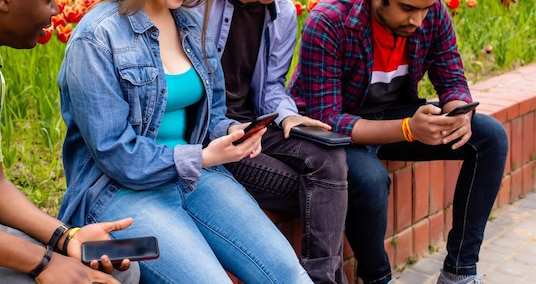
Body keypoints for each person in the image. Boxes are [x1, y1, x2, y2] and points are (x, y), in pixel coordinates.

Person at [56, 0, 314, 282]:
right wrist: (203, 157)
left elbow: (212, 114)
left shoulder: (189, 23)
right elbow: (115, 153)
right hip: (119, 192)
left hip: (196, 178)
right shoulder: (95, 38)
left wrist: (231, 132)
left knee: (290, 275)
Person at [288, 0, 509, 283]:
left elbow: (452, 77)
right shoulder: (329, 20)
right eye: (407, 8)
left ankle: (460, 272)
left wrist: (458, 112)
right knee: (369, 179)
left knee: (490, 137)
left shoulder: (433, 11)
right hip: (333, 132)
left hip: (395, 115)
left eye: (424, 9)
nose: (417, 19)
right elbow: (326, 116)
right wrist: (407, 129)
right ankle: (378, 278)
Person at [0, 0, 141, 283]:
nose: (57, 10)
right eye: (48, 0)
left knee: (117, 270)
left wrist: (67, 238)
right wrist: (43, 262)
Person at [197, 0, 349, 283]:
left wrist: (288, 116)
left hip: (255, 128)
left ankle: (321, 278)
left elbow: (271, 86)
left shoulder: (283, 12)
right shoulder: (200, 6)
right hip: (212, 137)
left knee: (331, 157)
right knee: (326, 193)